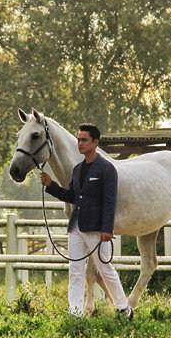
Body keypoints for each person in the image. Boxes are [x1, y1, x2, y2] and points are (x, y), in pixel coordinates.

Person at [40, 123, 133, 319]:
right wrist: (51, 186)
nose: (80, 143)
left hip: (97, 229)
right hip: (76, 227)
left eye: (84, 140)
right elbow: (72, 196)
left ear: (95, 142)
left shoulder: (107, 169)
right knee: (75, 270)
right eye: (79, 139)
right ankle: (75, 313)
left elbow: (110, 201)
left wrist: (107, 228)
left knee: (105, 268)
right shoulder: (77, 170)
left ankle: (124, 308)